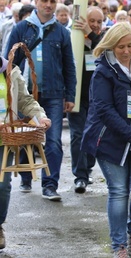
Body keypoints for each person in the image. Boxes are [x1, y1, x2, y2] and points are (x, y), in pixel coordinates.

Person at [81, 22, 131, 258]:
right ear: (111, 46)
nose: (126, 51)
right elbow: (104, 110)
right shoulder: (103, 70)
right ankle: (119, 245)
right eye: (120, 46)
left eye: (130, 45)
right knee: (119, 191)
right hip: (112, 139)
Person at [5, 0, 77, 201]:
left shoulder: (62, 32)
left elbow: (69, 66)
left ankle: (50, 185)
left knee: (53, 139)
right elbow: (8, 61)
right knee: (24, 136)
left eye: (52, 1)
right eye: (44, 0)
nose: (48, 5)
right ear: (36, 2)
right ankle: (26, 176)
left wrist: (70, 95)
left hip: (54, 93)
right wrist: (9, 94)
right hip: (24, 94)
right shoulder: (21, 28)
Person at [0, 56, 51, 250]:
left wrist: (41, 117)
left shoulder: (10, 71)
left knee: (2, 186)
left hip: (4, 141)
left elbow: (26, 101)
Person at [69, 6, 105, 194]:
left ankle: (87, 167)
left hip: (97, 99)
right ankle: (80, 177)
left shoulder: (101, 38)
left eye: (99, 21)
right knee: (77, 135)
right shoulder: (74, 39)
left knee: (93, 136)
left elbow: (106, 47)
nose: (96, 25)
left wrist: (90, 33)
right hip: (77, 96)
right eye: (92, 21)